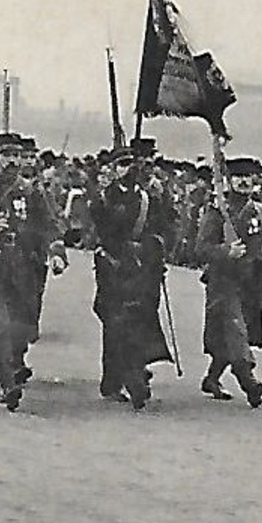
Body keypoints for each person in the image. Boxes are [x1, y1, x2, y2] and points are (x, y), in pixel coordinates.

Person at [0, 132, 67, 411]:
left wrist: (55, 252)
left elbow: (48, 226)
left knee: (19, 328)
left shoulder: (30, 191)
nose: (13, 161)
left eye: (17, 156)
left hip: (22, 267)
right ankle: (8, 384)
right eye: (7, 155)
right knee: (0, 323)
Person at [195, 158, 262, 407]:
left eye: (249, 177)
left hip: (253, 282)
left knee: (239, 332)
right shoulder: (218, 210)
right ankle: (249, 382)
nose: (244, 182)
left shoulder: (261, 210)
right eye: (239, 177)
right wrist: (226, 251)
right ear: (229, 181)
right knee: (235, 328)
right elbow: (201, 248)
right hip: (224, 282)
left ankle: (212, 378)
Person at [89, 143, 175, 409]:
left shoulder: (150, 198)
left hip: (144, 265)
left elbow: (164, 226)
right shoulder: (103, 198)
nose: (129, 170)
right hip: (113, 265)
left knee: (142, 318)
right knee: (115, 323)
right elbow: (103, 231)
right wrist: (121, 248)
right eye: (122, 165)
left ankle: (135, 371)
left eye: (132, 165)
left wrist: (154, 248)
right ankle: (116, 379)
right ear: (113, 170)